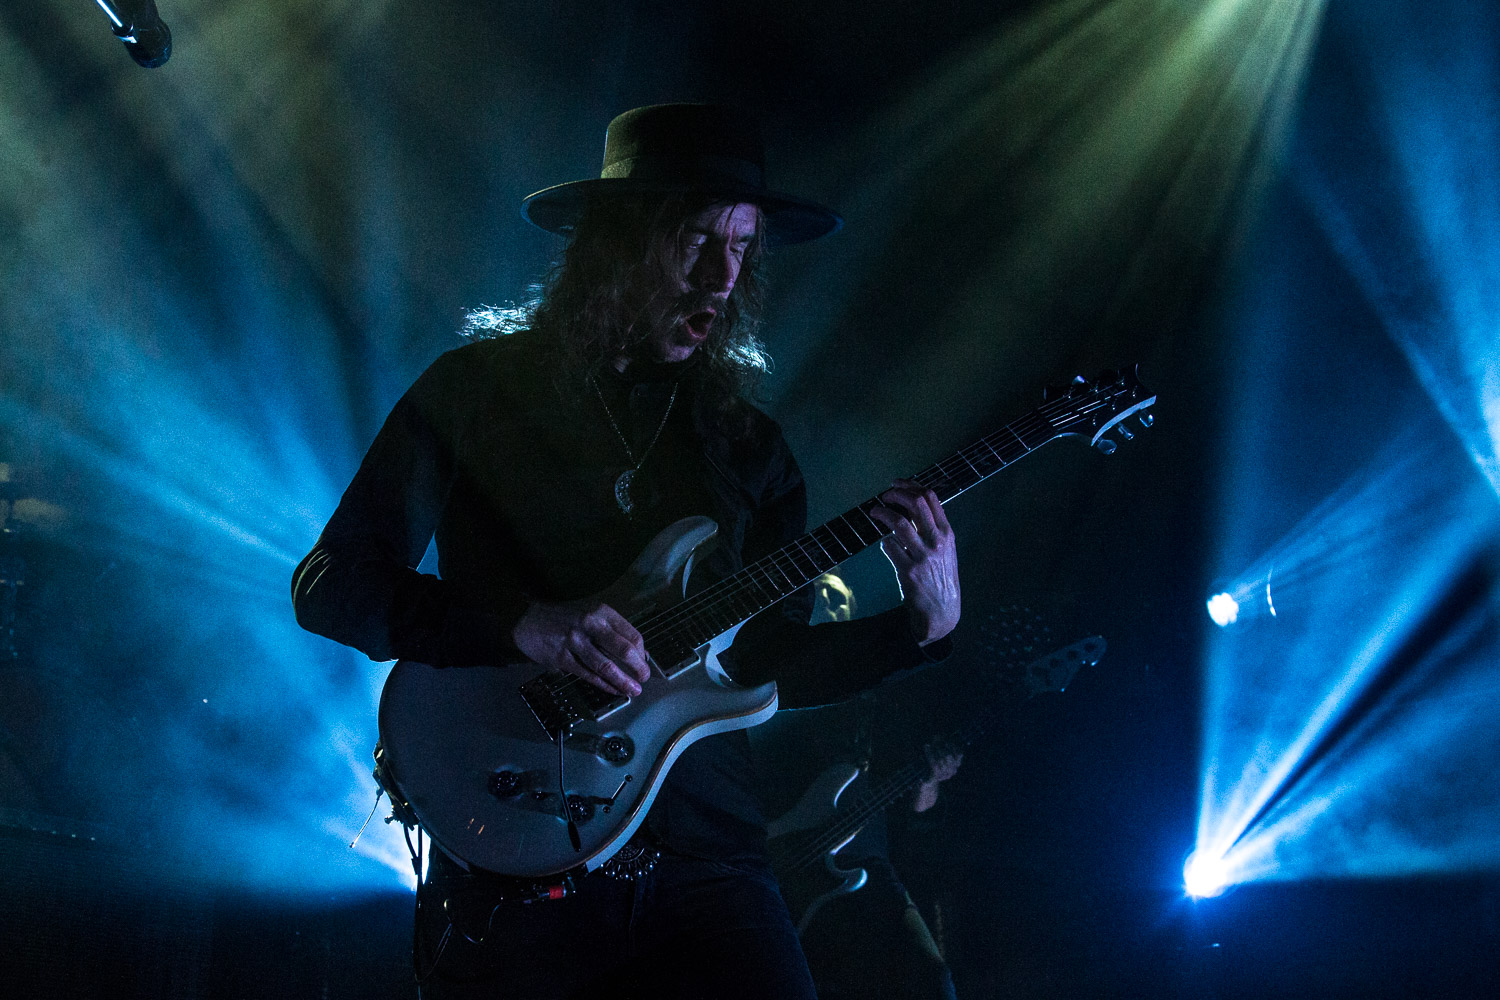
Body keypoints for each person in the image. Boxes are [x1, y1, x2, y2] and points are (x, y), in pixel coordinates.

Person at [291, 103, 962, 999]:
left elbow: (768, 669)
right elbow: (331, 585)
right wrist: (522, 626)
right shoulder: (476, 393)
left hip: (708, 859)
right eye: (694, 240)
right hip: (517, 842)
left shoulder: (749, 451)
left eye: (743, 246)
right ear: (614, 242)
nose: (723, 275)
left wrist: (921, 626)